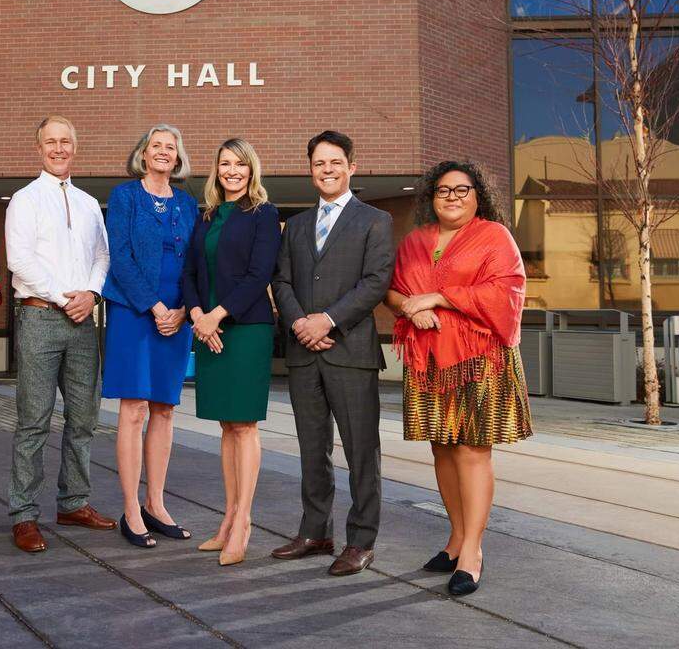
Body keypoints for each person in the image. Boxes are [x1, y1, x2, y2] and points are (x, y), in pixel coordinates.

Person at [385, 161, 532, 597]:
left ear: (477, 195)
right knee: (442, 449)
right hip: (428, 360)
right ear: (431, 196)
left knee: (471, 451)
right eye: (443, 190)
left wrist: (438, 295)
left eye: (461, 189)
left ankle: (473, 551)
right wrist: (410, 306)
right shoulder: (415, 240)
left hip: (479, 358)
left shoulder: (494, 236)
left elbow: (507, 291)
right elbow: (393, 291)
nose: (452, 197)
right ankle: (454, 538)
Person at [270, 130, 395, 577]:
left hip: (351, 352)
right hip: (305, 354)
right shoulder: (297, 225)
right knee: (312, 448)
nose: (328, 170)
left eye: (336, 162)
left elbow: (376, 281)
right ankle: (315, 531)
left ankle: (361, 540)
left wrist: (327, 320)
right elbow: (281, 282)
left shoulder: (375, 220)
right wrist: (301, 323)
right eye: (320, 163)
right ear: (311, 171)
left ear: (351, 167)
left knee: (362, 451)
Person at [4, 115, 115, 553]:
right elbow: (19, 260)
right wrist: (63, 297)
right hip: (39, 317)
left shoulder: (89, 203)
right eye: (50, 142)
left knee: (84, 418)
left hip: (83, 322)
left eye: (65, 141)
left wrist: (91, 293)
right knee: (33, 420)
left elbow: (102, 255)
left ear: (75, 147)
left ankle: (73, 502)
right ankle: (23, 514)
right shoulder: (25, 200)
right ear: (39, 148)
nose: (58, 148)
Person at [181, 138, 280, 566]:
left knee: (244, 426)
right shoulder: (206, 216)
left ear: (251, 169)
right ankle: (227, 519)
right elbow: (189, 273)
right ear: (216, 169)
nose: (232, 171)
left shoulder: (263, 214)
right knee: (225, 426)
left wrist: (217, 315)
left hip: (246, 328)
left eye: (240, 164)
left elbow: (261, 275)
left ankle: (244, 522)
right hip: (209, 328)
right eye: (225, 163)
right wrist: (200, 316)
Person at [101, 124, 199, 548]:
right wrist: (156, 307)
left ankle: (155, 505)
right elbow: (119, 256)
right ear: (143, 155)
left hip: (177, 317)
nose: (162, 152)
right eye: (156, 146)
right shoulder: (125, 197)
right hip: (134, 313)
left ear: (177, 158)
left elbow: (196, 262)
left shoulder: (189, 204)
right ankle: (129, 510)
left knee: (164, 409)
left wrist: (182, 311)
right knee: (135, 409)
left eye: (170, 148)